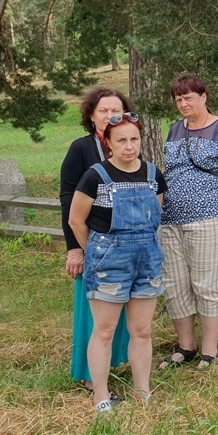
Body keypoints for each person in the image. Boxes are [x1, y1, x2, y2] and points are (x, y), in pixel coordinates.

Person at [68, 113, 166, 413]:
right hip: (109, 263)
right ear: (108, 143)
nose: (129, 146)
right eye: (121, 140)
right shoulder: (95, 176)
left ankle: (142, 392)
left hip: (147, 261)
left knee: (142, 330)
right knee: (105, 331)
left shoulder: (153, 175)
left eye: (134, 139)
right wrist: (97, 253)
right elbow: (76, 220)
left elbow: (156, 215)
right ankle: (101, 396)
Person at [158, 74, 218, 370]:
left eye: (188, 97)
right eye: (178, 99)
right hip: (171, 220)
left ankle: (209, 351)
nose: (183, 103)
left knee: (206, 284)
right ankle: (186, 346)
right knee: (176, 285)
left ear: (203, 97)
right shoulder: (175, 130)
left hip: (213, 217)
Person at [60, 87, 133, 399]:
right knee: (95, 315)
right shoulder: (81, 149)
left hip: (127, 246)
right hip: (93, 244)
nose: (109, 116)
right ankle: (91, 377)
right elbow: (68, 200)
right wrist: (75, 248)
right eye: (103, 111)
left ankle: (113, 363)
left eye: (116, 110)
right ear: (91, 116)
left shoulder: (128, 145)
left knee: (121, 311)